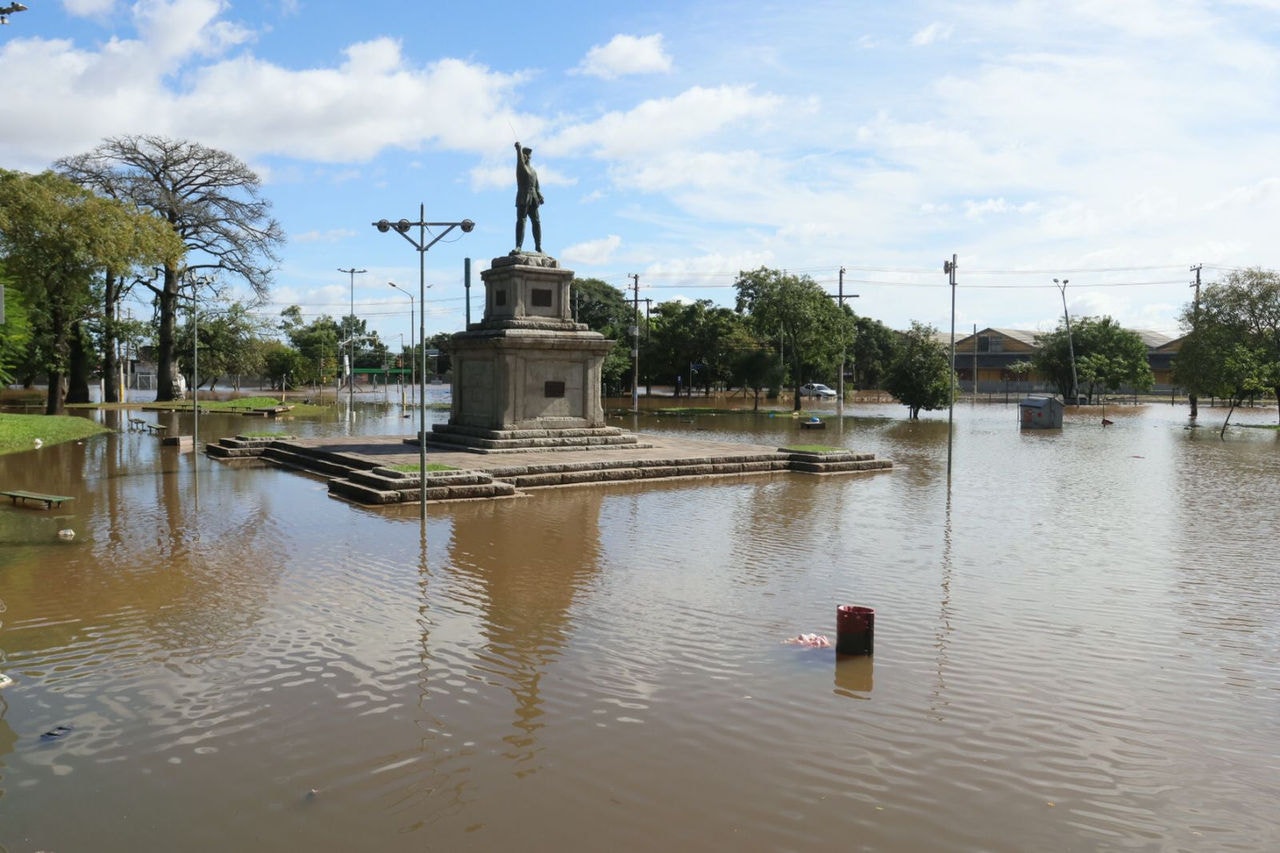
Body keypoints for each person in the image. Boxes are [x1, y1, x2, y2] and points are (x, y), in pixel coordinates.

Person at [514, 141, 544, 254]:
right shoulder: (521, 168)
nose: (525, 157)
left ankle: (538, 246)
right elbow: (519, 161)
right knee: (521, 221)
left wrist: (540, 195)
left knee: (536, 222)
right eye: (524, 155)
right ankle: (518, 246)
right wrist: (518, 150)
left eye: (527, 155)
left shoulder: (533, 171)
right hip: (523, 197)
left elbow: (537, 186)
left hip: (533, 198)